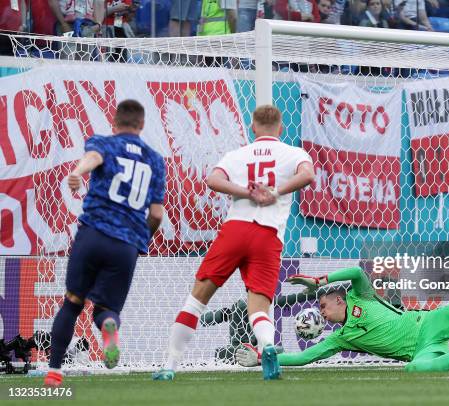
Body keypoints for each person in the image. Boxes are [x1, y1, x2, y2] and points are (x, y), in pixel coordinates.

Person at [153, 105, 315, 381]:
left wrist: (245, 192)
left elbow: (212, 179)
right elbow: (308, 175)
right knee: (259, 308)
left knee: (197, 300)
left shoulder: (236, 155)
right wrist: (274, 191)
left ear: (253, 127)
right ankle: (267, 348)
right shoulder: (294, 153)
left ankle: (169, 366)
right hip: (268, 235)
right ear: (281, 127)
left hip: (236, 229)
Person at [43, 100, 167, 387]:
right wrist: (139, 240)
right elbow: (157, 214)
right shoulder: (155, 160)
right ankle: (108, 328)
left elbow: (94, 158)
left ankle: (54, 372)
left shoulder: (104, 143)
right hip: (125, 246)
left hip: (94, 234)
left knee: (73, 302)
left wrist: (78, 171)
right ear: (142, 125)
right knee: (106, 310)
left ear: (114, 122)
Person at [236, 267, 449, 371]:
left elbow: (356, 272)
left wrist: (317, 282)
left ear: (338, 299)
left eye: (322, 307)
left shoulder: (360, 295)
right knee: (415, 369)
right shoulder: (341, 337)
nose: (320, 314)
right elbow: (304, 357)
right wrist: (268, 355)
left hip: (430, 321)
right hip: (422, 349)